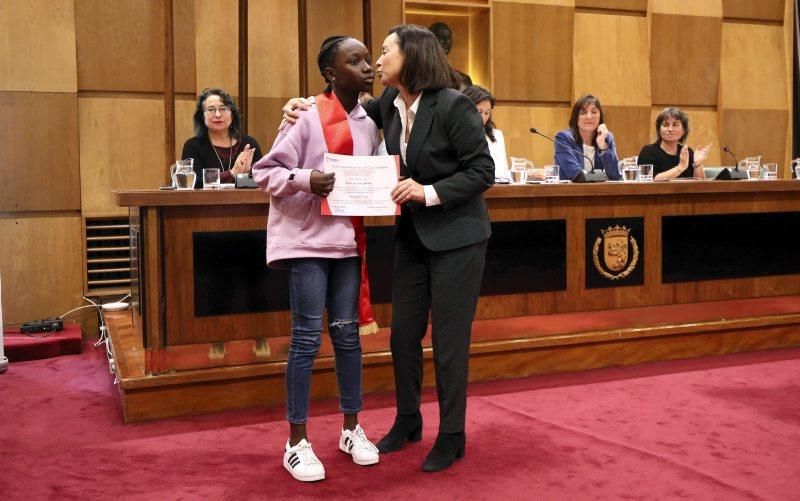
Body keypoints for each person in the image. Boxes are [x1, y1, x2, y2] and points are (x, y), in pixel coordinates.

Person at [251, 35, 381, 483]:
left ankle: (350, 428)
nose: (367, 67)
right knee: (306, 340)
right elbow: (264, 172)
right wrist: (309, 178)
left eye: (369, 59)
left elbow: (374, 177)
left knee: (348, 339)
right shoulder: (306, 114)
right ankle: (296, 441)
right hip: (307, 242)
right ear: (330, 72)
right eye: (355, 61)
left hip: (346, 244)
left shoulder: (367, 122)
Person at [181, 88, 262, 188]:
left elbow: (262, 179)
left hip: (242, 202)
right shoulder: (192, 146)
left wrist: (248, 174)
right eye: (211, 109)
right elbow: (193, 181)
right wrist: (231, 173)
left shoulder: (248, 143)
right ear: (202, 116)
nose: (218, 115)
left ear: (232, 114)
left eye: (223, 109)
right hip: (206, 202)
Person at [554, 94, 621, 182]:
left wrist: (602, 145)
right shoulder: (563, 138)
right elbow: (576, 175)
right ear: (576, 117)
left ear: (600, 116)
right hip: (569, 193)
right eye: (583, 112)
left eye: (594, 112)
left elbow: (615, 175)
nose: (589, 117)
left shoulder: (606, 137)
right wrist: (604, 176)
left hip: (600, 194)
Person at [637, 107, 710, 180]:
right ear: (659, 130)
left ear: (684, 130)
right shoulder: (648, 151)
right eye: (665, 125)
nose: (670, 129)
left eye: (675, 125)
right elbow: (651, 180)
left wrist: (697, 164)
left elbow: (700, 184)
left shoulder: (687, 152)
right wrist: (680, 167)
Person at [463, 85, 510, 180]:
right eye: (479, 112)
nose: (483, 118)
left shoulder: (496, 135)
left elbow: (503, 172)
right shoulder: (456, 134)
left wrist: (527, 174)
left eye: (487, 113)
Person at [429, 22, 472, 90]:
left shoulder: (464, 80)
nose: (447, 41)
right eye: (441, 38)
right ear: (430, 41)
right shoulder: (420, 79)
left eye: (448, 38)